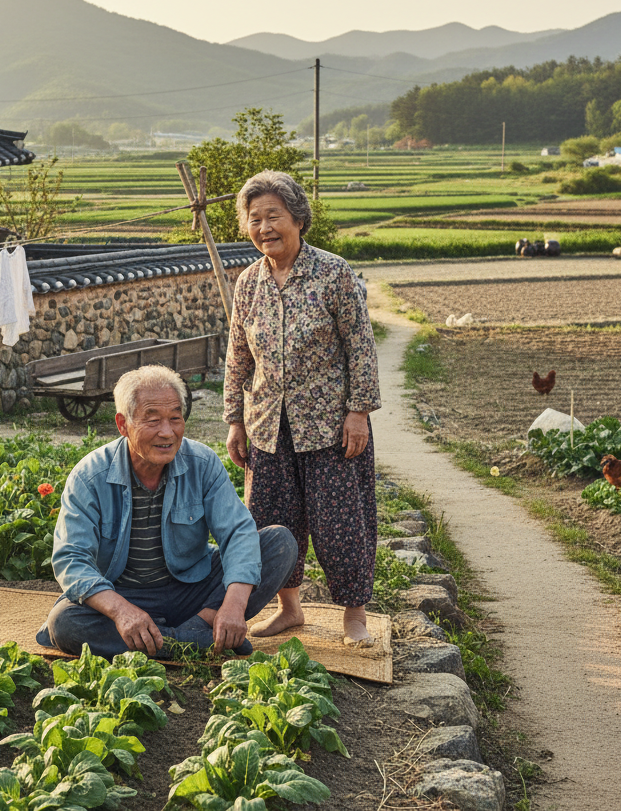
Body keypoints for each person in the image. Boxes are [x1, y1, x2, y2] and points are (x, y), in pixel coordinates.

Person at [37, 364, 298, 659]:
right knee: (65, 623)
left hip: (192, 590)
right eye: (152, 420)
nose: (167, 432)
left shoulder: (202, 463)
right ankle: (196, 641)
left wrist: (233, 607)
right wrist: (122, 612)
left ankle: (193, 628)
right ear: (123, 424)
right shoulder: (90, 476)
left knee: (279, 544)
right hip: (124, 593)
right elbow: (71, 559)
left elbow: (238, 532)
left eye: (175, 418)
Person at [224, 170, 382, 647]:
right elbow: (237, 355)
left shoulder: (333, 273)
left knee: (341, 523)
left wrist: (359, 412)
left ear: (297, 218)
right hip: (268, 424)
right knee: (273, 520)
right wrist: (234, 419)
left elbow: (361, 347)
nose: (264, 227)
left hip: (330, 425)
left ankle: (353, 615)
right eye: (255, 219)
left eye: (274, 216)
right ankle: (289, 610)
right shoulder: (249, 283)